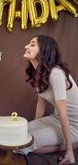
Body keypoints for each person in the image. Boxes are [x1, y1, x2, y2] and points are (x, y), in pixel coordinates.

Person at [21, 34, 78, 164]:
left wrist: (69, 151)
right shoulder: (37, 73)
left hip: (74, 124)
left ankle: (73, 144)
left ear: (44, 50)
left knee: (27, 144)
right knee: (21, 132)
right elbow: (41, 103)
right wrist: (35, 125)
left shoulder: (56, 74)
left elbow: (63, 113)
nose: (26, 46)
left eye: (32, 44)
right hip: (55, 119)